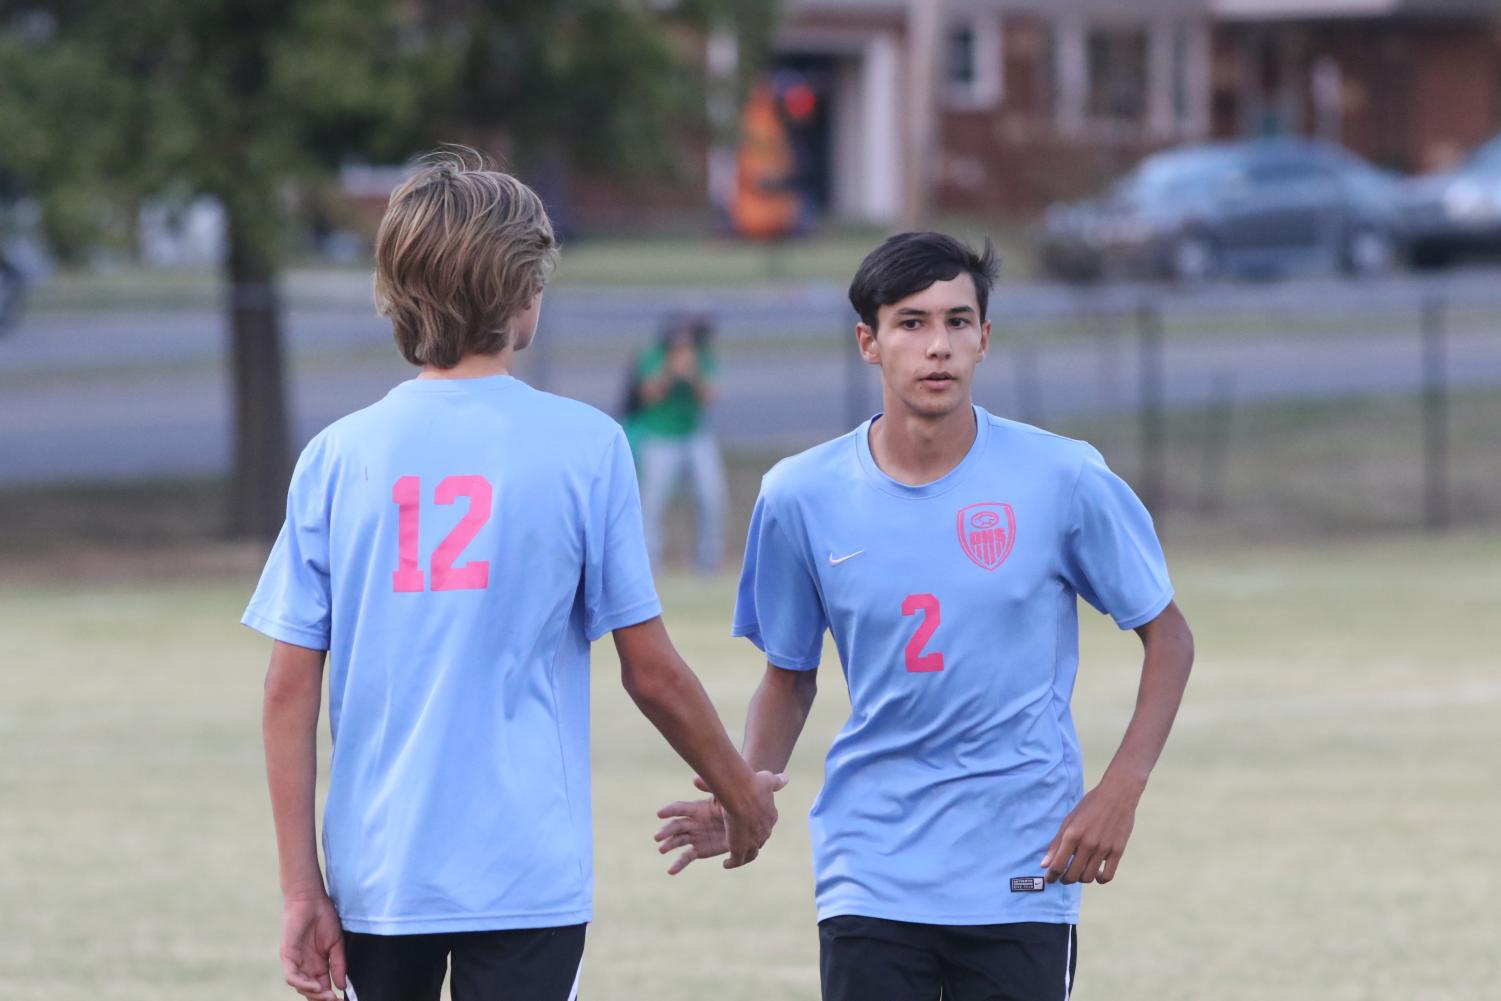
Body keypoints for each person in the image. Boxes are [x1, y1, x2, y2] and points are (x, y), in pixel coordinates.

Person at [244, 152, 784, 1001]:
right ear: (523, 292)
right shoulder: (584, 445)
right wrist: (739, 793)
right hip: (525, 872)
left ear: (397, 290)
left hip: (381, 872)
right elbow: (651, 670)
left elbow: (285, 689)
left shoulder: (338, 457)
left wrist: (301, 888)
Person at [654, 232, 1195, 1001]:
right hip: (870, 862)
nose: (936, 345)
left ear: (984, 338)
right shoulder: (798, 495)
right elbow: (790, 676)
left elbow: (1168, 636)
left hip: (1022, 854)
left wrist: (1120, 789)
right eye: (910, 323)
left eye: (956, 321)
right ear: (867, 342)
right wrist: (746, 788)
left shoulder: (1062, 475)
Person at [626, 313, 728, 573]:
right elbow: (648, 395)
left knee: (711, 496)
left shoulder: (701, 357)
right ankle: (648, 566)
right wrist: (671, 372)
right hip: (660, 436)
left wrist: (692, 374)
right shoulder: (654, 356)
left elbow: (709, 397)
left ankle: (708, 564)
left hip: (695, 436)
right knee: (652, 503)